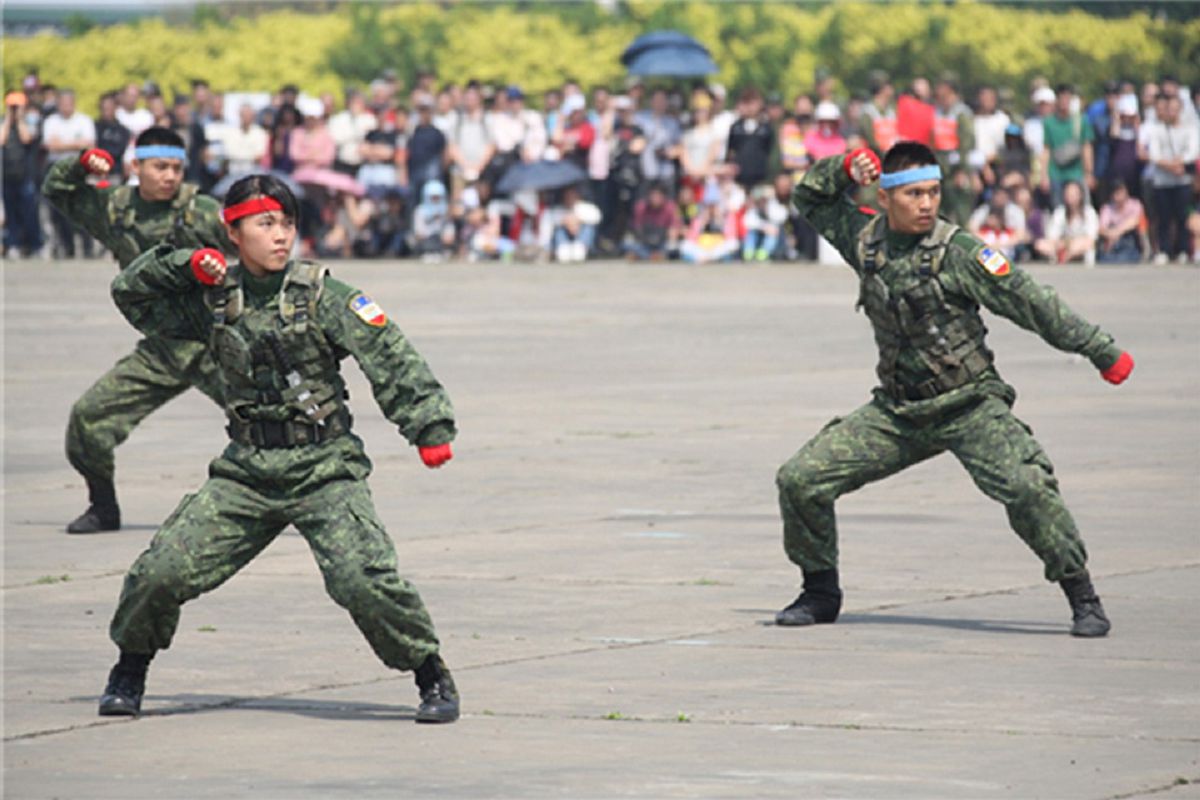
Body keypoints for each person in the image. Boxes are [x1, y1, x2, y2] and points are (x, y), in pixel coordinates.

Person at [99, 174, 460, 723]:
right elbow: (132, 295)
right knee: (160, 571)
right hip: (244, 474)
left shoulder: (323, 295)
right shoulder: (212, 298)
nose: (281, 236)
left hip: (323, 469)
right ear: (233, 232)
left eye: (287, 223)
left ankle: (430, 674)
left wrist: (428, 425)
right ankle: (129, 669)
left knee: (362, 579)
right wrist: (183, 266)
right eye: (265, 224)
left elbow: (387, 352)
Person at [776, 141, 1134, 638]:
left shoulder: (961, 253)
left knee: (1027, 487)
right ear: (885, 197)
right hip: (899, 412)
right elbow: (810, 200)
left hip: (969, 405)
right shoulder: (864, 239)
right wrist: (841, 168)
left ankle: (1083, 596)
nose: (927, 204)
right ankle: (819, 592)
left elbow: (1033, 303)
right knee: (800, 479)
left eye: (934, 192)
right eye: (915, 194)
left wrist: (1101, 351)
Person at [42, 126, 233, 533]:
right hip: (162, 348)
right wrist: (80, 165)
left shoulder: (200, 211)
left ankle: (307, 500)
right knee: (89, 418)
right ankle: (103, 507)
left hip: (214, 345)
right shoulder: (114, 209)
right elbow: (57, 190)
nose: (169, 176)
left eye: (177, 168)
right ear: (136, 166)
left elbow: (249, 243)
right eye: (160, 167)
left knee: (269, 422)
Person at [1035, 180, 1099, 265]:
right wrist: (1064, 244)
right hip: (1062, 247)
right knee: (1040, 244)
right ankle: (1062, 257)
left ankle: (1067, 257)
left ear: (1081, 195)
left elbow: (1091, 239)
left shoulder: (1089, 212)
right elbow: (1052, 237)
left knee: (1083, 244)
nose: (1071, 197)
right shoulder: (1060, 212)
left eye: (1074, 194)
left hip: (1080, 248)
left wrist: (1071, 245)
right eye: (1068, 194)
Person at [1096, 180, 1145, 263]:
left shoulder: (1135, 204)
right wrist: (1112, 234)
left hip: (1130, 240)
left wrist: (1118, 232)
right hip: (1112, 241)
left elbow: (1135, 221)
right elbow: (1101, 228)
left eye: (1121, 192)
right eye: (1116, 193)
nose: (1119, 196)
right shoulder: (1107, 208)